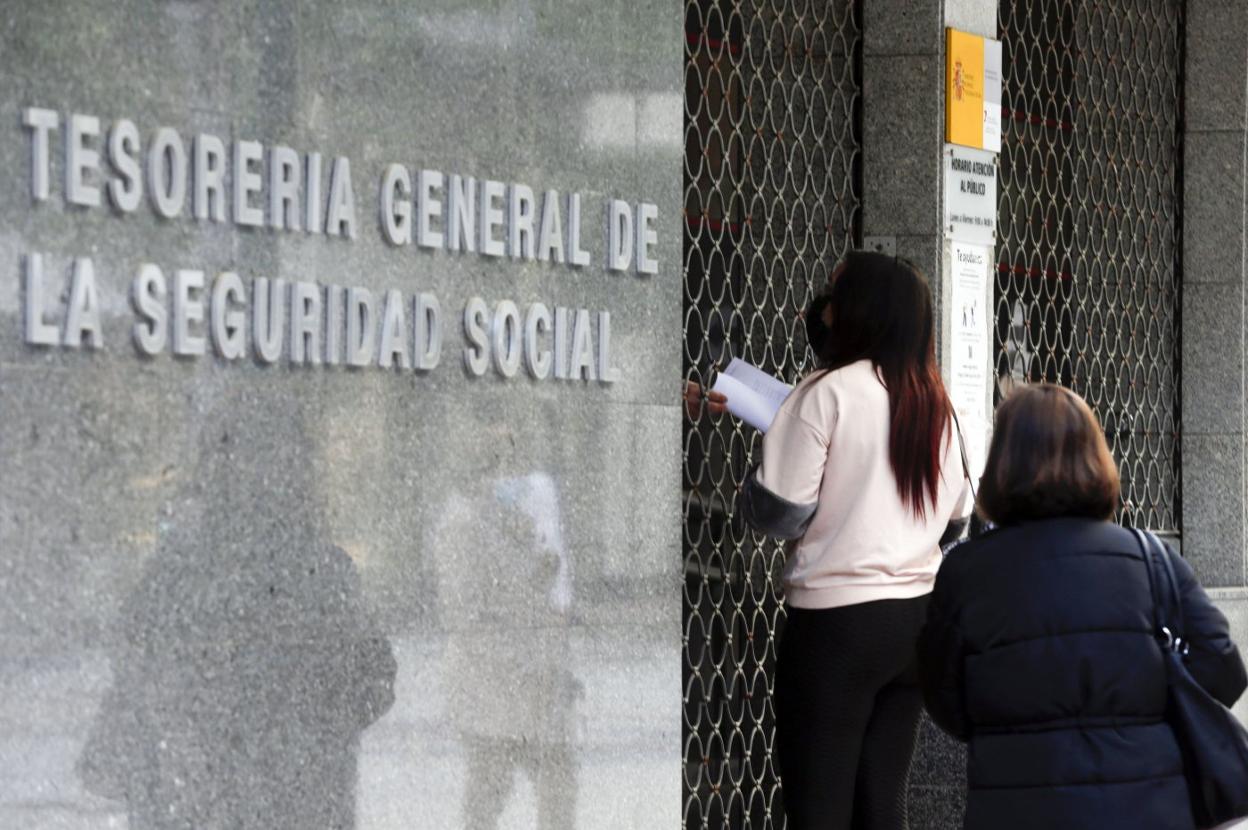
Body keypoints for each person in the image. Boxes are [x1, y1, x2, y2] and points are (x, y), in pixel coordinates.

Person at [918, 384, 1248, 830]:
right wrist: (1151, 713)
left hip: (1016, 807)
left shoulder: (966, 572)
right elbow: (1224, 668)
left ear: (1002, 465)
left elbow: (943, 695)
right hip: (1148, 808)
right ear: (1096, 456)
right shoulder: (1150, 560)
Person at [736, 251, 972, 830]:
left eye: (834, 297)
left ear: (858, 311)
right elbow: (956, 523)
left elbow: (779, 516)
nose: (821, 308)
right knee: (881, 805)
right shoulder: (937, 402)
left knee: (820, 808)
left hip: (835, 629)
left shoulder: (825, 394)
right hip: (913, 625)